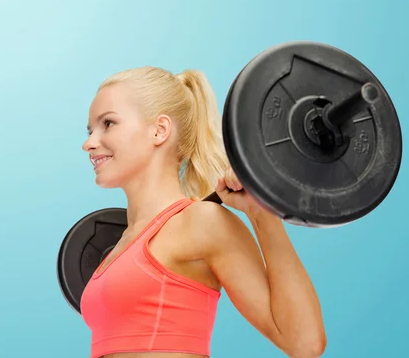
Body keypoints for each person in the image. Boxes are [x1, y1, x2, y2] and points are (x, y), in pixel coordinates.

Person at [80, 66, 327, 358]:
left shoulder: (201, 223)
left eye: (108, 124)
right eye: (89, 130)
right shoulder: (118, 247)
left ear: (160, 130)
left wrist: (263, 215)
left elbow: (305, 343)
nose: (89, 143)